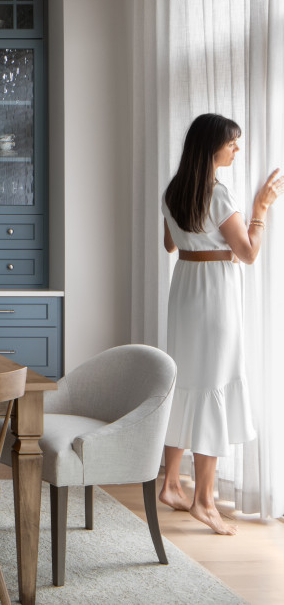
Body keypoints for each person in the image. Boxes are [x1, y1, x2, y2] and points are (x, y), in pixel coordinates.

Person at [158, 113, 283, 535]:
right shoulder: (219, 193)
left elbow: (170, 243)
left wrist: (203, 241)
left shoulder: (175, 190)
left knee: (187, 384)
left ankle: (171, 483)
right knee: (212, 384)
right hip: (215, 298)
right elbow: (247, 253)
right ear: (213, 147)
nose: (237, 149)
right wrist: (261, 210)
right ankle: (204, 499)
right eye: (233, 143)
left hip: (185, 291)